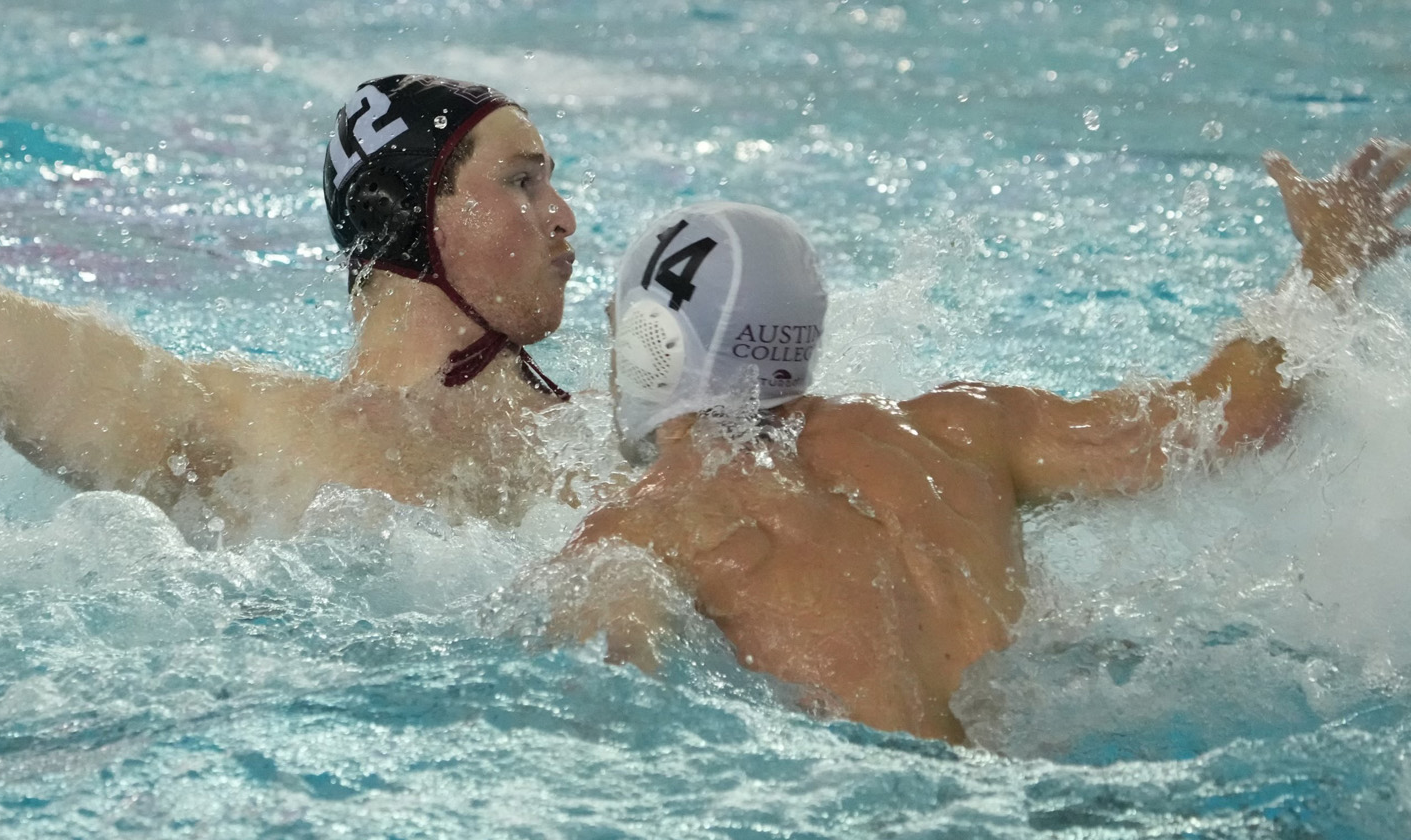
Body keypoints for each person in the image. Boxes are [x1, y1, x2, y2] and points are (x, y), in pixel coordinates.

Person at [553, 140, 1411, 743]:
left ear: (648, 338)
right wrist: (1324, 267)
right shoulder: (964, 430)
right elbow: (1229, 417)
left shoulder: (644, 526)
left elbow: (607, 693)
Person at [0, 0, 579, 538]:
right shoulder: (245, 433)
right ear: (408, 215)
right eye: (522, 181)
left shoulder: (605, 434)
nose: (563, 215)